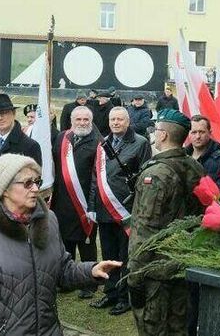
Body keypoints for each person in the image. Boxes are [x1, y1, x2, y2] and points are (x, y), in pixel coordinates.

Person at [0, 154, 122, 336]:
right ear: (4, 189)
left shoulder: (49, 221)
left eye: (37, 181)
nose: (36, 189)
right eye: (28, 183)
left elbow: (61, 269)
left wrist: (90, 271)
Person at [128, 109, 205, 336]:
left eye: (156, 130)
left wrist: (134, 275)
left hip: (156, 272)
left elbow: (145, 230)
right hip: (182, 263)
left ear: (162, 135)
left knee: (154, 329)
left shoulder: (157, 174)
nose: (153, 134)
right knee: (178, 327)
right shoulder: (194, 166)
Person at [89, 106, 151, 315]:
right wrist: (92, 206)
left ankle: (125, 297)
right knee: (108, 254)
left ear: (127, 121)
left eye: (119, 119)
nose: (115, 123)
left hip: (127, 211)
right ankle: (111, 292)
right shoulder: (102, 144)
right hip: (105, 210)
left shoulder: (140, 143)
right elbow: (94, 179)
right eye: (112, 119)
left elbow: (146, 178)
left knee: (125, 256)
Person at [51, 105, 101, 299]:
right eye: (78, 119)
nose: (82, 123)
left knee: (86, 245)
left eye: (85, 120)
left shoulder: (98, 143)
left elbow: (98, 178)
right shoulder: (62, 138)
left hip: (85, 204)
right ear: (71, 121)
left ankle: (90, 283)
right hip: (62, 202)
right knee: (65, 245)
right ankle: (67, 280)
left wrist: (92, 206)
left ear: (91, 121)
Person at [189, 115, 220, 191]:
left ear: (210, 133)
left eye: (201, 132)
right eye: (194, 132)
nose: (198, 136)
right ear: (188, 134)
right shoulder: (182, 156)